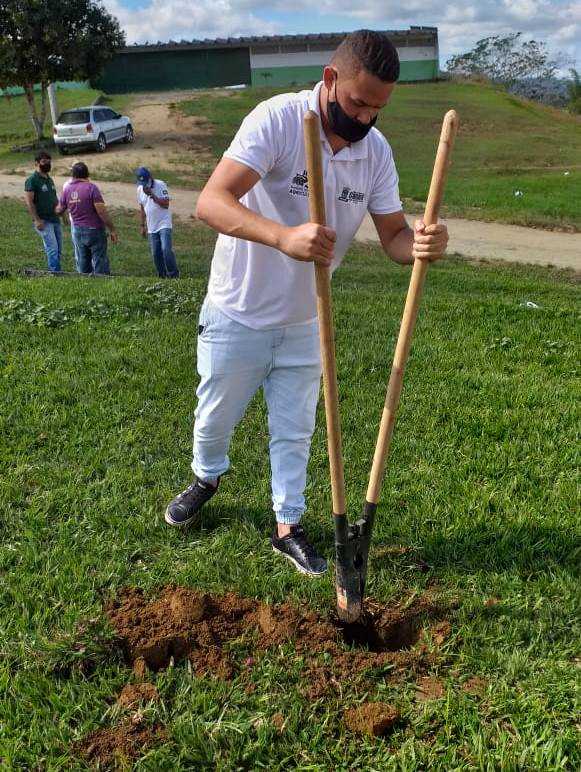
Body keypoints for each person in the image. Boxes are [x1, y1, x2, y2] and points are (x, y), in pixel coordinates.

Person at [165, 30, 449, 576]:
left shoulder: (375, 152)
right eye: (358, 103)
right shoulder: (278, 120)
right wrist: (283, 237)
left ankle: (287, 525)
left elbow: (393, 237)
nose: (366, 118)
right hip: (238, 310)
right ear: (330, 78)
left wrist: (419, 243)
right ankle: (207, 475)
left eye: (378, 108)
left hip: (305, 318)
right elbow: (210, 202)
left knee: (295, 429)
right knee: (215, 416)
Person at [56, 162, 117, 275]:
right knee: (99, 259)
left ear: (73, 175)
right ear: (87, 174)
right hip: (95, 230)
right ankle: (101, 281)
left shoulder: (67, 189)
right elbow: (101, 211)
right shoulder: (91, 188)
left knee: (83, 261)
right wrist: (112, 229)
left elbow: (59, 210)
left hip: (77, 230)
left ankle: (84, 280)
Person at [136, 167, 179, 278]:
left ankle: (173, 275)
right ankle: (162, 275)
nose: (144, 185)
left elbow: (166, 204)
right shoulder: (139, 189)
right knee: (155, 253)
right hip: (151, 226)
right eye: (142, 183)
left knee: (166, 249)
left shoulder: (160, 185)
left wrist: (152, 195)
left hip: (164, 223)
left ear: (150, 178)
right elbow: (142, 208)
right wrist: (142, 225)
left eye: (146, 182)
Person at [24, 151, 62, 273]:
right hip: (43, 220)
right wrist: (36, 220)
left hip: (55, 218)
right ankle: (55, 274)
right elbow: (29, 202)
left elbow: (54, 198)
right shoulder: (32, 180)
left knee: (59, 248)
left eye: (49, 161)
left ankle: (57, 271)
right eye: (44, 161)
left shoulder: (49, 180)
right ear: (37, 163)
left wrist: (63, 215)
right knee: (52, 248)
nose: (47, 164)